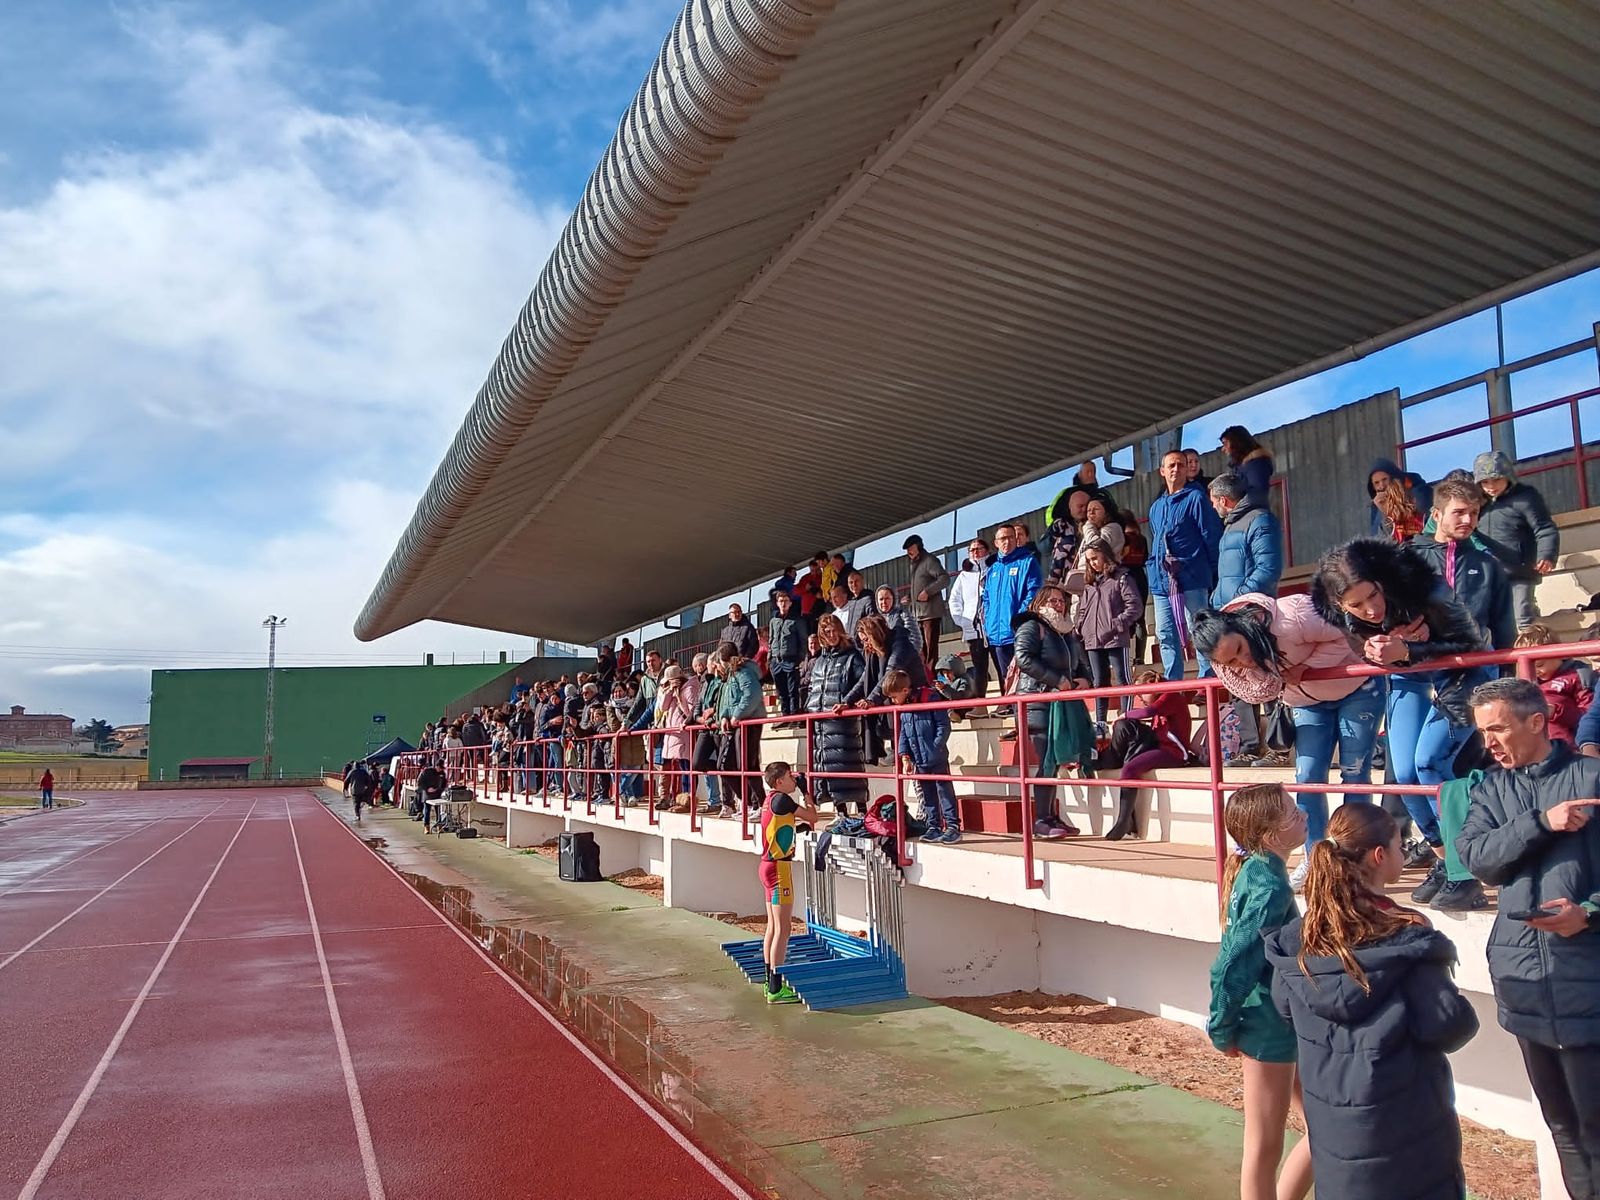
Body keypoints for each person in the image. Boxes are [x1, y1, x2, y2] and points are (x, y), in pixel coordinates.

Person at [1266, 803, 1478, 1200]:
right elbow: (1447, 1025)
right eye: (1400, 845)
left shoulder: (1299, 939)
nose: (1403, 853)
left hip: (1336, 1133)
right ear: (1380, 856)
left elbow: (1283, 1007)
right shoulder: (1407, 939)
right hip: (1408, 1131)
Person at [1459, 678, 1600, 1199]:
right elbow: (1477, 858)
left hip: (1587, 980)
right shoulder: (1491, 788)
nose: (1488, 742)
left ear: (1536, 721)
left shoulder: (1593, 777)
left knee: (1596, 1131)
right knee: (1562, 1129)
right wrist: (1542, 822)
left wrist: (1588, 915)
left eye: (1497, 728)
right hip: (1525, 985)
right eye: (1482, 732)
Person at [1311, 538, 1491, 905]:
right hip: (1410, 675)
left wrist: (1410, 649)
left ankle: (1464, 870)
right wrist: (1387, 652)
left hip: (1461, 674)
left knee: (1431, 763)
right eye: (1356, 605)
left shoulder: (1427, 588)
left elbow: (1472, 645)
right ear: (1339, 604)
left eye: (1373, 596)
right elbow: (1370, 651)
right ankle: (1443, 858)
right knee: (1404, 776)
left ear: (1381, 581)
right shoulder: (1340, 615)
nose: (1371, 609)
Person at [1194, 594, 1382, 887]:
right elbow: (1258, 691)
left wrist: (1308, 668)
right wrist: (1261, 668)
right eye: (1230, 661)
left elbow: (1345, 635)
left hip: (1357, 688)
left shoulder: (1294, 614)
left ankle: (1355, 860)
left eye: (1241, 648)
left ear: (1244, 624)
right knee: (1307, 778)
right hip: (1308, 701)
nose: (1242, 660)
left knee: (1355, 773)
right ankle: (1315, 859)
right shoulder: (1236, 664)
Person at [1206, 784, 1312, 1200]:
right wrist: (1221, 1024)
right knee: (1265, 1145)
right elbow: (1236, 959)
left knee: (1323, 1125)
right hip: (1267, 1023)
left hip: (1279, 1019)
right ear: (1270, 835)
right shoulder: (1270, 885)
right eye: (1291, 812)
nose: (1302, 813)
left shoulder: (1260, 870)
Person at [1209, 470, 1286, 764]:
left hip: (1253, 614)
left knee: (1267, 676)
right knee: (1238, 682)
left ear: (1224, 500)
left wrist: (1241, 599)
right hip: (1229, 616)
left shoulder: (1260, 520)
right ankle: (1250, 747)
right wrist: (1217, 603)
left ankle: (1278, 749)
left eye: (1214, 502)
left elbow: (1267, 568)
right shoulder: (1229, 528)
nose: (1213, 507)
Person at [1012, 584, 1093, 840]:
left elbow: (1079, 665)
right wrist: (1057, 679)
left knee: (1054, 760)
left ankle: (1049, 815)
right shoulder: (1032, 627)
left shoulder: (1066, 633)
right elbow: (1023, 658)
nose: (1059, 605)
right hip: (1036, 702)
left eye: (1062, 601)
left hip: (1060, 704)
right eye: (1054, 600)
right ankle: (1041, 820)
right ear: (1040, 603)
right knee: (1047, 760)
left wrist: (1084, 679)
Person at [1410, 477, 1516, 656]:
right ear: (1436, 515)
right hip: (1418, 667)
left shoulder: (1489, 565)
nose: (1468, 520)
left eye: (1474, 513)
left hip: (1474, 664)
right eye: (1458, 512)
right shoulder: (1407, 558)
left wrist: (1506, 671)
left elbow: (1503, 626)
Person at [1147, 449, 1222, 681]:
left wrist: (1213, 571)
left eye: (1180, 465)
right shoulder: (1156, 507)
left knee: (1198, 629)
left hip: (1191, 578)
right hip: (1162, 582)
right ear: (1162, 471)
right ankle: (1173, 683)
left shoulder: (1196, 498)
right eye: (1171, 465)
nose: (1176, 469)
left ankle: (1205, 680)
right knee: (1165, 633)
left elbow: (1211, 535)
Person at [1097, 668, 1190, 840]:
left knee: (1130, 768)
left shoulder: (1170, 695)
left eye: (1141, 694)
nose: (1140, 699)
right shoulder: (1162, 698)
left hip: (1174, 752)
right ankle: (1126, 819)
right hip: (1160, 746)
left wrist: (1123, 715)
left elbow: (1148, 712)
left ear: (1151, 685)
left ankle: (1123, 821)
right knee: (1127, 739)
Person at [758, 761, 823, 1005]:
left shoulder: (769, 800)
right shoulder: (784, 800)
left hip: (766, 864)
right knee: (784, 929)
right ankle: (776, 987)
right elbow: (814, 816)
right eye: (790, 777)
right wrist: (807, 792)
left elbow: (778, 826)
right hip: (779, 868)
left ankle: (769, 981)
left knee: (772, 927)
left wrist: (796, 827)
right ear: (779, 782)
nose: (794, 780)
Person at [1472, 450, 1560, 627]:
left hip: (1519, 571)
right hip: (1488, 573)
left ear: (1508, 476)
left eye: (1496, 479)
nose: (1491, 486)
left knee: (1522, 618)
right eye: (1485, 482)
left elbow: (1544, 527)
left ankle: (1528, 650)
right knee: (1491, 621)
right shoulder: (1477, 502)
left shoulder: (1525, 497)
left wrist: (1546, 555)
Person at [882, 668, 961, 844]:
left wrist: (936, 745)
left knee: (944, 790)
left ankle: (953, 826)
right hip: (919, 758)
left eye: (894, 697)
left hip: (936, 755)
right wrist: (904, 756)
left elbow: (943, 725)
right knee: (927, 793)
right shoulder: (904, 709)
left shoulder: (930, 697)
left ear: (904, 690)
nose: (894, 702)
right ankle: (933, 825)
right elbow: (903, 733)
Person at [805, 614, 869, 816]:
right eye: (826, 632)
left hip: (843, 722)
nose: (831, 635)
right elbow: (812, 688)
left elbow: (863, 682)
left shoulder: (853, 656)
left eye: (834, 630)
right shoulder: (819, 661)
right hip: (820, 724)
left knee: (848, 766)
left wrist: (847, 701)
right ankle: (840, 812)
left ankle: (861, 811)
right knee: (826, 769)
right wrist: (811, 707)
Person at [1075, 539, 1141, 727]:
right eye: (1089, 560)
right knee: (1099, 682)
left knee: (1122, 678)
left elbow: (1135, 606)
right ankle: (1101, 722)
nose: (1093, 563)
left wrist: (1117, 624)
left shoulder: (1121, 577)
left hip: (1116, 638)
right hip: (1092, 639)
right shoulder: (1089, 584)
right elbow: (1082, 608)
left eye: (1095, 558)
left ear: (1105, 555)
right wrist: (1081, 626)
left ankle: (1127, 717)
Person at [981, 523, 1043, 685]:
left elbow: (1034, 592)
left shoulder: (1028, 562)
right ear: (996, 543)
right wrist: (988, 621)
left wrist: (1019, 618)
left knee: (1025, 678)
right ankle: (1015, 710)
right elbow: (986, 599)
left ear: (1016, 539)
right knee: (1007, 679)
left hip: (1019, 632)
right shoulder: (993, 569)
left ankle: (1027, 710)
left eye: (1010, 537)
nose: (1006, 541)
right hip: (998, 634)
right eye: (1002, 538)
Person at [1518, 623, 1593, 746]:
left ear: (1559, 655)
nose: (1535, 671)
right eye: (1528, 667)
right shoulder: (1523, 685)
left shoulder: (1576, 677)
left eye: (1540, 665)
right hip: (1535, 749)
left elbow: (1589, 716)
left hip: (1568, 748)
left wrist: (1556, 712)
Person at [715, 641, 765, 817]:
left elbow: (751, 694)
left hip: (750, 723)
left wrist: (736, 715)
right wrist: (724, 716)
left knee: (748, 764)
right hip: (740, 723)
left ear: (724, 660)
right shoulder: (732, 675)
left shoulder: (743, 672)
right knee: (729, 764)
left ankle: (760, 803)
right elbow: (730, 701)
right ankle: (749, 802)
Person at [948, 539, 992, 701]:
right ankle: (981, 704)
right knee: (980, 669)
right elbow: (954, 600)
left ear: (987, 550)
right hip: (973, 631)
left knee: (1003, 667)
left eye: (979, 548)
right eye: (972, 550)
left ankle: (1008, 703)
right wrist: (963, 620)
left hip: (994, 629)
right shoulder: (964, 576)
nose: (975, 552)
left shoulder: (994, 569)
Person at [903, 534, 950, 674]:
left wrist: (928, 592)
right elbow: (920, 587)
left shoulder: (929, 560)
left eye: (911, 548)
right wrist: (910, 597)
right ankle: (924, 676)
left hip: (930, 613)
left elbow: (945, 578)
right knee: (921, 649)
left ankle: (931, 677)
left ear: (919, 546)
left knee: (930, 650)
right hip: (918, 614)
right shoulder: (915, 564)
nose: (908, 552)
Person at [1365, 458, 1433, 538]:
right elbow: (1378, 539)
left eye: (1385, 479)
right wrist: (1384, 512)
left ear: (1394, 478)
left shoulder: (1419, 493)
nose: (1382, 486)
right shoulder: (1378, 504)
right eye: (1376, 483)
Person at [767, 590, 806, 723]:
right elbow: (771, 640)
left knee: (792, 690)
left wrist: (799, 659)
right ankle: (785, 716)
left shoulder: (797, 620)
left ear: (790, 603)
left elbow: (803, 641)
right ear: (777, 603)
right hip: (776, 661)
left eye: (785, 601)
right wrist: (770, 658)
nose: (783, 603)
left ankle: (794, 716)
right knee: (781, 692)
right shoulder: (773, 621)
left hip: (791, 660)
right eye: (781, 601)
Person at [1219, 425, 1274, 504]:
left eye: (1225, 444)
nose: (1223, 449)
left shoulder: (1256, 464)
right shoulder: (1238, 466)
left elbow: (1257, 494)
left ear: (1236, 442)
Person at [873, 585, 923, 656]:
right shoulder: (875, 620)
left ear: (893, 599)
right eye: (881, 599)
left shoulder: (903, 615)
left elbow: (916, 639)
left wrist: (906, 657)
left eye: (887, 598)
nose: (884, 602)